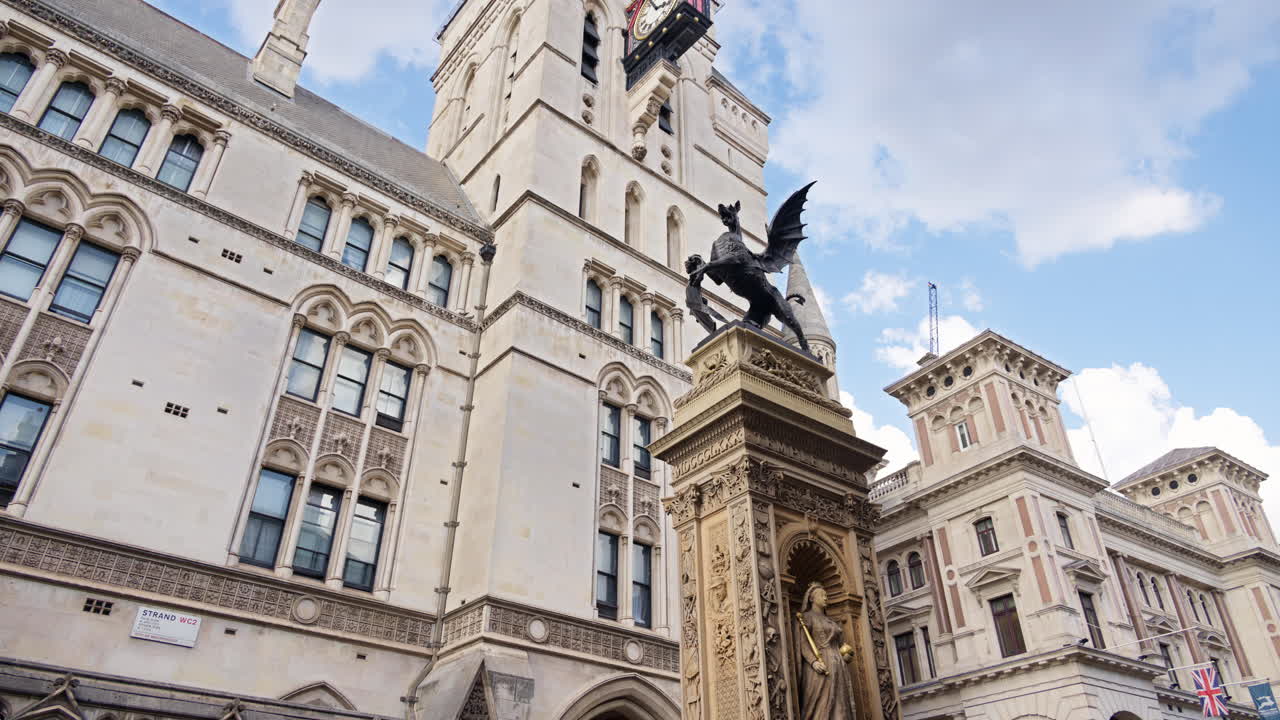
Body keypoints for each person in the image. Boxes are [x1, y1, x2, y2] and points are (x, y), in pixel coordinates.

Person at [795, 583, 857, 719]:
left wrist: (846, 653)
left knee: (840, 703)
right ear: (811, 599)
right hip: (820, 665)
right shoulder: (807, 617)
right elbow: (803, 644)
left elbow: (841, 644)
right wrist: (813, 662)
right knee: (820, 705)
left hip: (838, 665)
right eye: (822, 596)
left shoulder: (831, 621)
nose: (825, 598)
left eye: (826, 596)